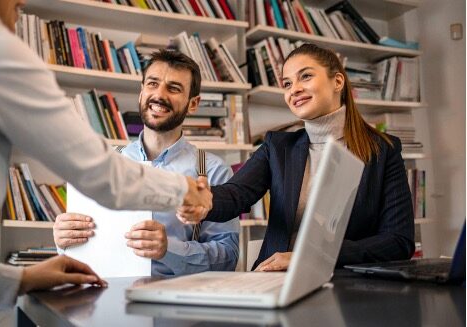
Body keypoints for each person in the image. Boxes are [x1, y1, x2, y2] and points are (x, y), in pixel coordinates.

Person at [0, 1, 211, 325]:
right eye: (152, 83)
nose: (22, 2)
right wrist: (183, 189)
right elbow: (100, 172)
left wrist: (22, 280)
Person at [178, 43, 415, 272]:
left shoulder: (383, 150)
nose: (295, 89)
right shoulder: (278, 146)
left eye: (306, 76)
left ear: (338, 81)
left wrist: (310, 257)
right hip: (275, 279)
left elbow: (398, 241)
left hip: (344, 284)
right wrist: (204, 200)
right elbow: (237, 194)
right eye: (287, 83)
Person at [53, 50, 240, 276]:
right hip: (100, 292)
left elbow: (228, 257)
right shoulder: (104, 162)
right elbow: (76, 251)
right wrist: (63, 241)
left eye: (173, 88)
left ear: (193, 104)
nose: (159, 95)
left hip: (175, 301)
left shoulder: (213, 170)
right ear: (141, 93)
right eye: (152, 84)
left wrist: (168, 249)